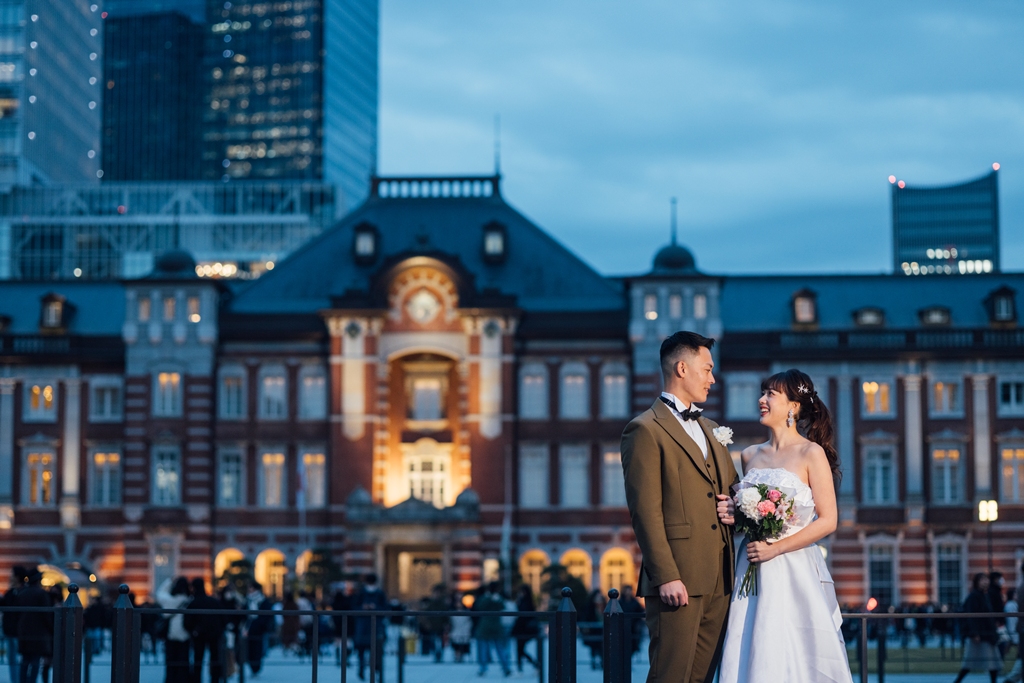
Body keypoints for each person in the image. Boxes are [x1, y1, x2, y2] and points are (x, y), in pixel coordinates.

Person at [718, 369, 851, 682]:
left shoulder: (811, 453)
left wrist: (775, 549)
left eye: (770, 394)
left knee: (796, 650)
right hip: (750, 565)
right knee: (752, 644)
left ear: (793, 407)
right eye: (763, 393)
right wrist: (732, 513)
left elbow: (829, 520)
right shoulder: (750, 455)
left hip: (792, 568)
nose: (761, 400)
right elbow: (745, 518)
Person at [620, 331, 738, 683]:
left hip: (721, 578)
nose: (713, 379)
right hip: (678, 580)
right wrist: (667, 575)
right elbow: (645, 512)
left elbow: (730, 489)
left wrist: (734, 505)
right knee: (670, 676)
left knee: (702, 678)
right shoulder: (643, 430)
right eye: (707, 369)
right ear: (682, 368)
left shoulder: (713, 429)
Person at [954, 573, 1001, 683]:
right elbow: (971, 616)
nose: (985, 582)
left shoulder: (985, 595)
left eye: (986, 579)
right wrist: (974, 633)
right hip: (981, 634)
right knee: (974, 663)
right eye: (982, 580)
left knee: (991, 663)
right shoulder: (974, 596)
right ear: (977, 582)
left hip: (987, 633)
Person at [184, 577, 226, 683]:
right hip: (215, 635)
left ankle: (197, 680)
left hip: (199, 635)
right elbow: (224, 618)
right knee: (215, 659)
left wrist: (193, 631)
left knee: (198, 660)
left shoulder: (193, 603)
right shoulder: (214, 601)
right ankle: (215, 680)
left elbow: (187, 622)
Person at [14, 568, 52, 683]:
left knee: (25, 661)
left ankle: (23, 681)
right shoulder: (41, 594)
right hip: (38, 633)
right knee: (35, 661)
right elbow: (47, 615)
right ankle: (31, 681)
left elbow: (16, 614)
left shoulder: (22, 593)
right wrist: (52, 629)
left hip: (24, 632)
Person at [156, 576, 192, 683]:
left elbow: (160, 594)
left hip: (171, 635)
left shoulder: (169, 601)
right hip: (185, 635)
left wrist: (169, 581)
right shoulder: (189, 600)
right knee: (184, 662)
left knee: (170, 662)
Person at [353, 574, 388, 681]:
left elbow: (354, 607)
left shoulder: (367, 593)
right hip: (368, 625)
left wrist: (373, 608)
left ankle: (371, 670)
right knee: (368, 650)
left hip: (369, 625)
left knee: (372, 651)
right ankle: (367, 670)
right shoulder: (365, 593)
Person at [472, 582, 511, 677]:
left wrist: (491, 599)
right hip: (492, 627)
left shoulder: (488, 598)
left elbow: (479, 607)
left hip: (487, 627)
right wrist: (493, 599)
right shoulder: (493, 598)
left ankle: (484, 668)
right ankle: (505, 668)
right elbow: (501, 606)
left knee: (488, 649)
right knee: (498, 649)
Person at [2, 566, 27, 683]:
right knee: (12, 659)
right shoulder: (10, 593)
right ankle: (15, 681)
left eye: (12, 575)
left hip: (20, 632)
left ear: (17, 577)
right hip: (10, 631)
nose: (10, 577)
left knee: (21, 659)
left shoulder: (23, 592)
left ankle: (20, 680)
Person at [245, 581, 274, 675]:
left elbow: (267, 616)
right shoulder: (248, 600)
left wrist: (259, 624)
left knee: (257, 648)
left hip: (258, 629)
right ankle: (253, 667)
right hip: (249, 628)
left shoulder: (262, 600)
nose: (249, 590)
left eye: (251, 587)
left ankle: (256, 667)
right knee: (250, 649)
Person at [509, 585, 538, 672]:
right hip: (522, 629)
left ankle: (527, 666)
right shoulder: (526, 601)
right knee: (520, 649)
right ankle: (525, 666)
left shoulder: (526, 602)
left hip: (523, 629)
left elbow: (523, 615)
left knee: (520, 649)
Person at [618, 585, 645, 657]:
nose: (628, 592)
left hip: (633, 628)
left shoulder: (635, 602)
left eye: (629, 590)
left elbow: (640, 612)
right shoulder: (620, 602)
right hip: (622, 628)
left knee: (632, 646)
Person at [449, 596, 474, 663]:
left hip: (464, 631)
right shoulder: (452, 613)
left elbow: (469, 622)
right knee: (456, 645)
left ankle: (461, 656)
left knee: (463, 644)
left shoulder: (467, 612)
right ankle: (457, 657)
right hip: (456, 631)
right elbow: (451, 623)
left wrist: (467, 629)